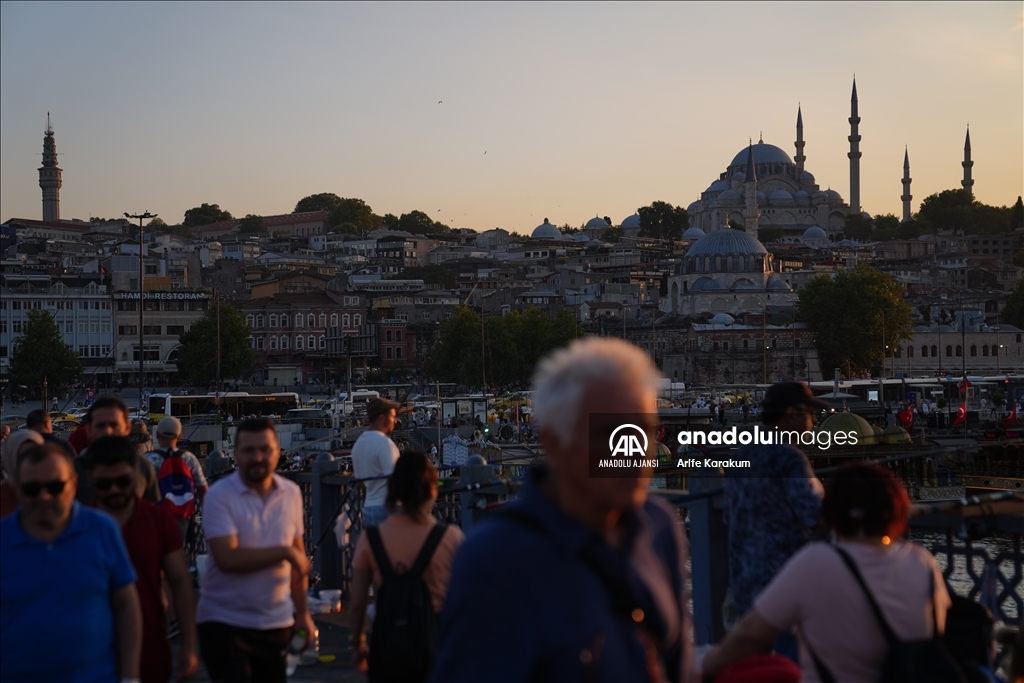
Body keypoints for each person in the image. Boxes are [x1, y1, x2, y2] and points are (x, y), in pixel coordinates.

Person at [431, 338, 694, 682]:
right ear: (553, 443)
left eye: (643, 429)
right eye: (609, 432)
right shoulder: (496, 561)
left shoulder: (659, 526)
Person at [703, 463, 952, 683]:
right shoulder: (921, 560)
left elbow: (752, 633)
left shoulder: (817, 562)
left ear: (831, 512)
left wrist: (709, 662)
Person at [0, 442, 142, 681]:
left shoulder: (101, 529)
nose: (44, 497)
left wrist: (130, 676)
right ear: (16, 489)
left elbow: (126, 605)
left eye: (55, 487)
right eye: (32, 489)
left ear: (73, 484)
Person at [196, 418, 314, 682]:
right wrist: (283, 552)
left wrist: (304, 615)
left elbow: (298, 564)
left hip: (277, 623)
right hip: (225, 624)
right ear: (235, 454)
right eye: (248, 451)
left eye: (265, 449)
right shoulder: (219, 496)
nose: (257, 457)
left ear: (278, 452)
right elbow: (228, 558)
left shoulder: (292, 493)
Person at [723, 381, 826, 661]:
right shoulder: (789, 459)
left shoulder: (742, 455)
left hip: (744, 587)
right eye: (810, 412)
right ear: (792, 414)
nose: (814, 419)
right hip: (783, 589)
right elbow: (815, 515)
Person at [88, 435, 199, 683]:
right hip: (91, 652)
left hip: (150, 646)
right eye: (105, 484)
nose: (115, 489)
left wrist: (190, 645)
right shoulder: (80, 524)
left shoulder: (158, 520)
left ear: (135, 475)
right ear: (91, 479)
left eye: (123, 481)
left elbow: (180, 581)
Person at [349, 450, 465, 677]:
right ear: (433, 489)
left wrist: (358, 644)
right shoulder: (451, 538)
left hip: (390, 641)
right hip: (438, 646)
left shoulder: (370, 539)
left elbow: (357, 604)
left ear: (393, 490)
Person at [76, 396, 160, 504]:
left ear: (127, 428)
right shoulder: (73, 470)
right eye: (100, 426)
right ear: (89, 430)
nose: (107, 431)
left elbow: (153, 511)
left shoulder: (143, 467)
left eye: (114, 425)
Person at [145, 416, 210, 540]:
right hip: (183, 517)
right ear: (179, 436)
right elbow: (204, 490)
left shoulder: (148, 460)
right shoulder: (189, 458)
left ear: (158, 435)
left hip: (155, 518)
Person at [351, 397, 401, 528]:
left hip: (368, 508)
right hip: (387, 509)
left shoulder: (358, 444)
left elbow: (361, 482)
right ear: (382, 418)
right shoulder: (385, 444)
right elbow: (395, 481)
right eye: (393, 417)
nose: (395, 421)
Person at [1, 430, 45, 518]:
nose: (28, 462)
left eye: (35, 455)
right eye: (22, 456)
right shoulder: (3, 496)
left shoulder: (55, 490)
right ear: (10, 457)